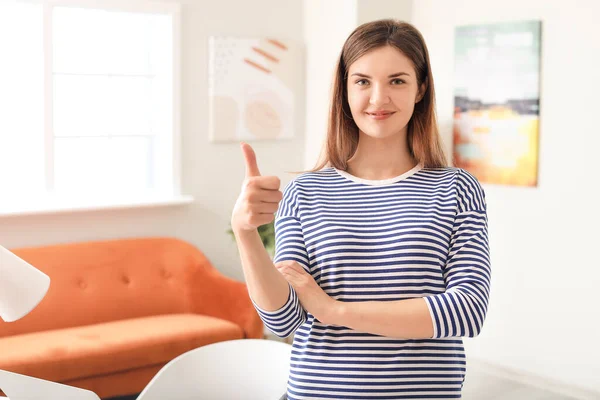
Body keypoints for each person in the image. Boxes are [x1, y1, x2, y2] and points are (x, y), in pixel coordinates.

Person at [231, 19, 491, 400]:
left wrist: (335, 311)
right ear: (346, 90)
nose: (378, 99)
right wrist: (245, 232)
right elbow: (282, 318)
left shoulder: (456, 189)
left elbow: (466, 310)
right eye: (363, 81)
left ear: (420, 89)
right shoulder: (305, 192)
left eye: (397, 81)